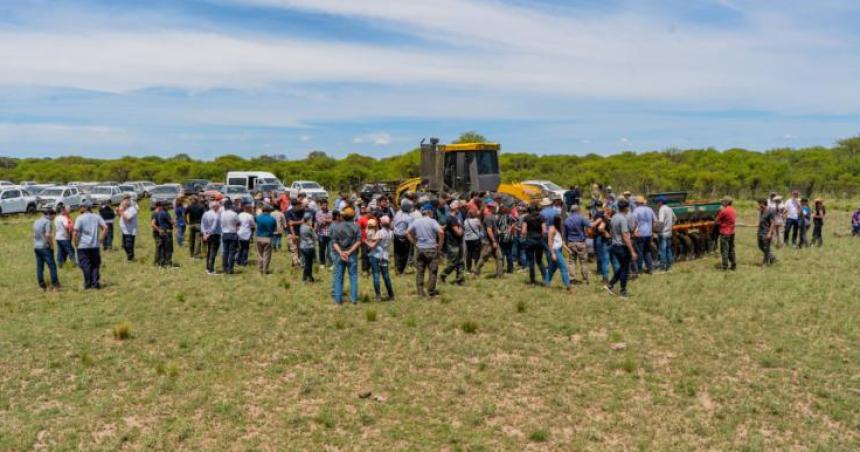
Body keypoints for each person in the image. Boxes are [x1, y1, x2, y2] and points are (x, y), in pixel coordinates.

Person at [407, 203, 444, 298]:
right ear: (430, 212)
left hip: (420, 249)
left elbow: (407, 232)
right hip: (431, 248)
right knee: (433, 272)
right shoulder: (432, 221)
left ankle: (420, 292)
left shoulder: (416, 221)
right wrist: (439, 246)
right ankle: (431, 292)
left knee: (420, 271)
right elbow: (441, 232)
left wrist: (415, 243)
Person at [605, 199, 637, 298]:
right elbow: (625, 236)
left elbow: (611, 231)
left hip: (614, 245)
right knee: (625, 270)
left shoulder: (614, 217)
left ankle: (610, 284)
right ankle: (623, 291)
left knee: (622, 267)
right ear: (627, 208)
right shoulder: (622, 219)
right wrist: (632, 251)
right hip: (622, 247)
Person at [73, 200, 107, 289]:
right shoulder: (96, 217)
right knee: (95, 264)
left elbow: (75, 232)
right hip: (95, 245)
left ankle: (87, 283)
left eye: (81, 206)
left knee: (85, 265)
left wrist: (75, 243)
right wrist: (101, 238)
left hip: (83, 245)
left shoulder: (80, 218)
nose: (80, 208)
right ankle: (95, 283)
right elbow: (105, 228)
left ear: (85, 207)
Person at [330, 207, 361, 305]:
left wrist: (341, 252)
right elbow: (358, 242)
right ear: (353, 216)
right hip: (352, 255)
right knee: (353, 276)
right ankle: (354, 299)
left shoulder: (336, 227)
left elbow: (334, 242)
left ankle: (338, 299)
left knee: (339, 277)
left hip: (340, 255)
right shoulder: (357, 227)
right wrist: (349, 252)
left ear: (343, 216)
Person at [367, 217, 395, 300]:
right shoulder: (391, 233)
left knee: (376, 275)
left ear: (381, 223)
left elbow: (372, 245)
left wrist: (364, 240)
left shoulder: (380, 232)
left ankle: (378, 296)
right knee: (386, 276)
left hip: (376, 255)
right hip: (385, 255)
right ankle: (391, 294)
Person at [33, 208, 60, 291]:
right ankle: (55, 285)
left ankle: (41, 285)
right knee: (52, 266)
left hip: (37, 247)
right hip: (45, 247)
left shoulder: (36, 221)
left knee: (40, 267)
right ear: (50, 215)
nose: (53, 218)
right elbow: (48, 235)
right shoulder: (47, 222)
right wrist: (51, 245)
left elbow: (34, 235)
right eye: (53, 216)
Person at [563, 204, 590, 283]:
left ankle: (571, 278)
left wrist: (566, 244)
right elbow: (589, 225)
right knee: (583, 262)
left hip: (571, 243)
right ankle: (585, 279)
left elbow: (565, 234)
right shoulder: (581, 218)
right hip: (581, 243)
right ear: (578, 210)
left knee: (571, 262)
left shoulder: (567, 220)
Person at [544, 214, 572, 291]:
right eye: (561, 220)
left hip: (559, 250)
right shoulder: (552, 229)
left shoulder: (559, 228)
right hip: (555, 251)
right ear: (557, 221)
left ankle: (546, 282)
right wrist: (553, 253)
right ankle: (568, 285)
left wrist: (567, 249)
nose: (562, 221)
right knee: (564, 267)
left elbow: (560, 241)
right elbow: (550, 242)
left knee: (552, 269)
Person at [475, 201, 503, 278]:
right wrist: (493, 241)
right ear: (491, 208)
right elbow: (489, 230)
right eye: (494, 207)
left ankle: (499, 275)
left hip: (495, 241)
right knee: (484, 258)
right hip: (488, 242)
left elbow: (493, 229)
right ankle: (476, 273)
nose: (496, 208)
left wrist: (498, 232)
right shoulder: (488, 217)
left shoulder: (492, 217)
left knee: (499, 257)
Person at [440, 200, 465, 285]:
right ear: (454, 208)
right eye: (458, 207)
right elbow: (458, 233)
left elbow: (445, 227)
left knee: (461, 262)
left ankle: (460, 280)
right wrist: (461, 226)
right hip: (454, 244)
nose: (459, 209)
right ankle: (443, 275)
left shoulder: (451, 218)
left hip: (457, 243)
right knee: (453, 262)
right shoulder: (453, 218)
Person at [521, 204, 547, 285]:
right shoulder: (541, 217)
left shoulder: (526, 218)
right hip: (539, 241)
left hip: (529, 241)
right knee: (539, 261)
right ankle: (546, 279)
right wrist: (542, 238)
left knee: (531, 262)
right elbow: (544, 231)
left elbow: (524, 231)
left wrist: (524, 238)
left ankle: (532, 281)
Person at [632, 196, 656, 274]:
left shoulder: (636, 211)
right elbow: (655, 221)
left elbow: (633, 223)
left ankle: (640, 270)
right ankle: (650, 268)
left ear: (638, 203)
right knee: (647, 251)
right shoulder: (650, 209)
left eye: (636, 202)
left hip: (640, 234)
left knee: (640, 252)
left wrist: (633, 231)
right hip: (649, 233)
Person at [591, 209, 614, 284]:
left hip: (605, 240)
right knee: (615, 261)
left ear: (608, 214)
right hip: (615, 241)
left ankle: (605, 278)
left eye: (605, 213)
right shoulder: (615, 219)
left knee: (605, 260)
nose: (604, 214)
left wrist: (605, 232)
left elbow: (600, 228)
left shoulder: (605, 220)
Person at [714, 196, 737, 270]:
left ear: (726, 202)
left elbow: (716, 221)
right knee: (731, 249)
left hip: (724, 233)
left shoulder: (724, 211)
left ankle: (725, 266)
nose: (722, 203)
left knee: (724, 250)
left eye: (723, 201)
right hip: (732, 232)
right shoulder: (733, 210)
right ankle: (733, 265)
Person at [392, 200, 414, 275]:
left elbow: (394, 224)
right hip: (404, 237)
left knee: (397, 253)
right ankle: (401, 271)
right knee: (404, 255)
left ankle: (397, 268)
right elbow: (409, 230)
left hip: (396, 236)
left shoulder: (397, 214)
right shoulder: (409, 218)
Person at [655, 197, 677, 272]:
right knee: (668, 249)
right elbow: (675, 218)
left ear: (660, 202)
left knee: (662, 250)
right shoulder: (669, 208)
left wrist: (658, 230)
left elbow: (661, 222)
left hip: (663, 233)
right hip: (669, 232)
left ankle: (662, 268)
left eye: (657, 202)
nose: (657, 203)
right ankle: (670, 266)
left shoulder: (662, 209)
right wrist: (670, 225)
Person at [151, 201, 175, 267]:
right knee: (160, 247)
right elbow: (153, 224)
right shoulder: (155, 213)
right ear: (159, 206)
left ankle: (161, 262)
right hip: (158, 232)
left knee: (162, 247)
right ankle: (157, 262)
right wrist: (159, 230)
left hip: (161, 232)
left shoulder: (159, 213)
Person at [201, 201, 222, 275]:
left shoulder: (205, 213)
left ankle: (207, 268)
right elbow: (214, 226)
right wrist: (208, 234)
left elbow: (202, 224)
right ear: (215, 207)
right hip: (214, 234)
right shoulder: (216, 215)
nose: (219, 207)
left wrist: (204, 233)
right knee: (213, 252)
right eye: (218, 206)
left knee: (209, 251)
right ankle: (211, 270)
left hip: (207, 234)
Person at [254, 204, 276, 274]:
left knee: (260, 254)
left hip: (259, 237)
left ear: (263, 210)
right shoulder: (272, 219)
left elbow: (255, 223)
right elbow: (275, 229)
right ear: (269, 211)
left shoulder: (258, 217)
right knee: (267, 255)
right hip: (268, 237)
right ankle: (265, 270)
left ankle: (260, 269)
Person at [220, 199, 240, 274]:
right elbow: (238, 223)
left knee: (225, 252)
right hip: (232, 233)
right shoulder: (234, 214)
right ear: (231, 206)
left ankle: (224, 267)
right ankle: (230, 268)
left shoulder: (222, 214)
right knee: (232, 252)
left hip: (224, 233)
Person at [54, 203, 76, 267]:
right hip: (64, 237)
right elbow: (67, 227)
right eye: (64, 209)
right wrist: (71, 228)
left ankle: (60, 263)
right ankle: (74, 262)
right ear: (62, 210)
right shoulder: (63, 218)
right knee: (70, 250)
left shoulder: (56, 218)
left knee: (60, 251)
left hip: (58, 237)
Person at [496, 204, 516, 274]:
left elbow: (496, 227)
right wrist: (510, 230)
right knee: (509, 253)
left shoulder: (498, 217)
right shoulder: (510, 216)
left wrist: (499, 231)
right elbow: (514, 224)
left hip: (501, 237)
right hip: (509, 237)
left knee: (501, 253)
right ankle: (510, 269)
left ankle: (501, 268)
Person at [757, 198, 777, 266]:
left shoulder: (770, 211)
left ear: (764, 203)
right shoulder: (761, 211)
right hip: (760, 231)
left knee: (766, 248)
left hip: (766, 232)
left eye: (760, 203)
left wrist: (769, 233)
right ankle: (772, 257)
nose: (759, 205)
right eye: (759, 203)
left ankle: (765, 263)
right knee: (760, 246)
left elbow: (772, 223)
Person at [118, 196, 138, 261]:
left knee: (129, 245)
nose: (123, 203)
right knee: (124, 245)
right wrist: (119, 211)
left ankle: (130, 259)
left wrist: (121, 212)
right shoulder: (125, 209)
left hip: (130, 231)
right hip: (125, 230)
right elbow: (120, 216)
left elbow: (128, 219)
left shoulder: (133, 209)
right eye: (123, 201)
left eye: (126, 201)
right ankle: (130, 257)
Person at [462, 207, 483, 273]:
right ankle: (476, 268)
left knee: (469, 254)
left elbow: (464, 228)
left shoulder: (465, 221)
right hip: (475, 238)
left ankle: (468, 269)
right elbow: (481, 227)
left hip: (467, 239)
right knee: (477, 254)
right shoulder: (477, 220)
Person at [299, 212, 317, 282]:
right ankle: (305, 277)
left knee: (307, 263)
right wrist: (313, 230)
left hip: (302, 246)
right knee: (308, 264)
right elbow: (316, 237)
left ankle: (310, 277)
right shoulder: (309, 228)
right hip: (309, 247)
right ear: (309, 219)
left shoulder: (301, 226)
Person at [286, 200, 305, 267]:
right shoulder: (288, 213)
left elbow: (303, 221)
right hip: (291, 234)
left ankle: (297, 262)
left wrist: (294, 222)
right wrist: (293, 235)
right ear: (294, 206)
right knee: (294, 249)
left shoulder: (302, 211)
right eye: (299, 206)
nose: (300, 207)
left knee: (300, 249)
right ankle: (297, 265)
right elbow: (290, 224)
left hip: (300, 233)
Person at [315, 199, 333, 268]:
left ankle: (331, 263)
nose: (325, 206)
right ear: (321, 205)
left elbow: (333, 221)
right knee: (321, 250)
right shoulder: (318, 213)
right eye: (323, 205)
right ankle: (322, 263)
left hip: (330, 234)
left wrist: (325, 220)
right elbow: (320, 223)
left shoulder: (330, 212)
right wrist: (328, 220)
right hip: (321, 234)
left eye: (326, 205)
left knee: (330, 250)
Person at [236, 202, 255, 266]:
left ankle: (238, 260)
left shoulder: (240, 215)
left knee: (240, 248)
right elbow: (253, 225)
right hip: (246, 233)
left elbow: (237, 223)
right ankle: (244, 261)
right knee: (245, 248)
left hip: (239, 233)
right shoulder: (250, 216)